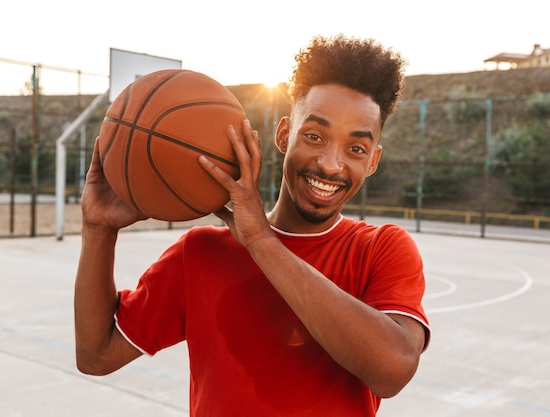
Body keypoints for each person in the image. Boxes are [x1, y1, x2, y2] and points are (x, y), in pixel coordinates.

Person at [74, 34, 430, 416]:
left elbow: (393, 370)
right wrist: (98, 230)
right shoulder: (199, 254)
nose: (330, 164)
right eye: (314, 136)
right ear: (282, 135)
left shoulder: (382, 248)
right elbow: (97, 355)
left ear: (373, 161)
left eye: (355, 149)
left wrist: (261, 240)